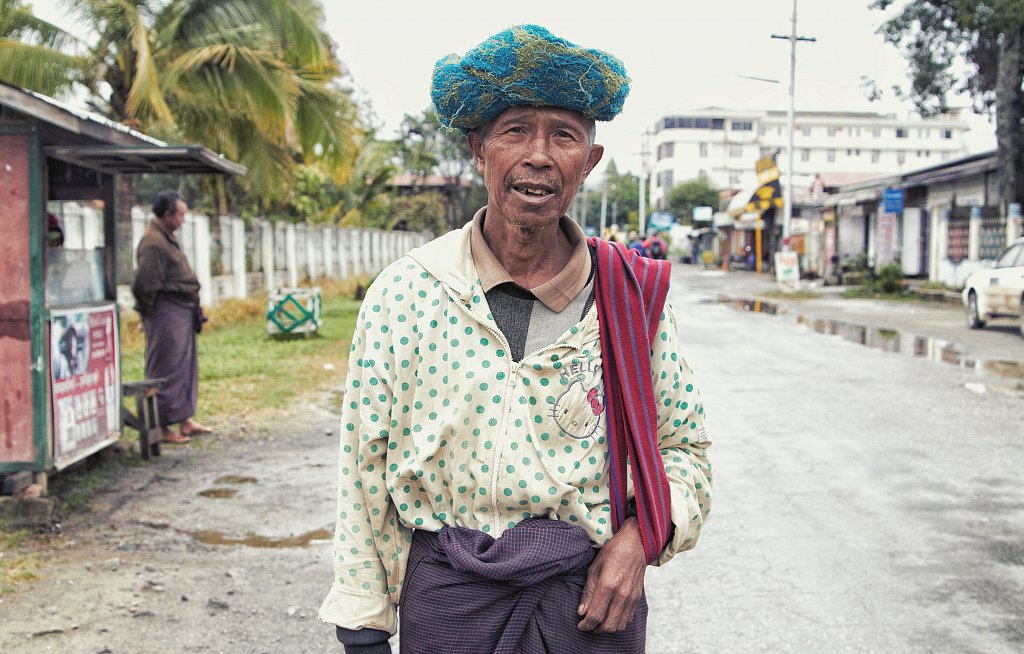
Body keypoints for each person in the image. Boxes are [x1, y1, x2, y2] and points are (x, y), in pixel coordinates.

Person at [320, 25, 712, 654]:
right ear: (479, 151)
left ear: (589, 162)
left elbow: (685, 451)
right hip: (448, 605)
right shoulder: (407, 293)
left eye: (564, 135)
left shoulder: (630, 298)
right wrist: (363, 623)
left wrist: (639, 541)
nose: (538, 154)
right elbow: (363, 467)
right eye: (515, 131)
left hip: (586, 607)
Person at [131, 190, 212, 444]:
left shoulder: (166, 238)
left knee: (184, 367)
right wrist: (147, 315)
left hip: (181, 313)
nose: (183, 220)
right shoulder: (153, 242)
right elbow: (145, 284)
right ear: (167, 214)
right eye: (180, 215)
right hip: (165, 313)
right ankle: (162, 426)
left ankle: (185, 420)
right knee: (165, 368)